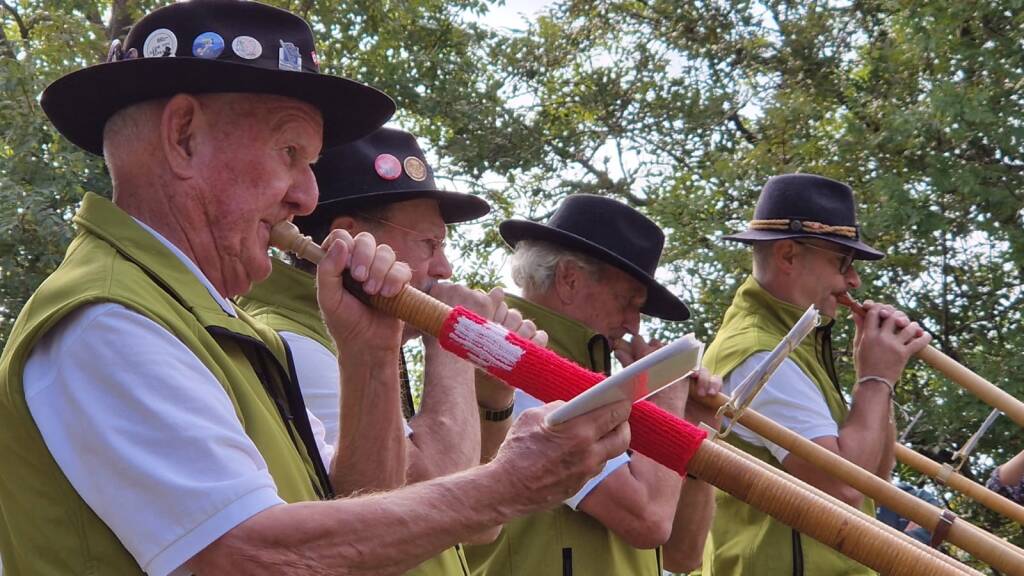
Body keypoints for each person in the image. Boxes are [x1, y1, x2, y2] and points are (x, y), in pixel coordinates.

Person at [0, 2, 631, 575]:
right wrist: (508, 485)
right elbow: (247, 556)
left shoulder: (207, 321)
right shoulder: (109, 319)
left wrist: (371, 354)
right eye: (290, 152)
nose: (306, 197)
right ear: (184, 136)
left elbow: (365, 529)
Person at [237, 126, 544, 574]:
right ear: (347, 240)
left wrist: (493, 398)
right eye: (429, 244)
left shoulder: (356, 337)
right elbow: (437, 489)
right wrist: (454, 334)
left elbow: (480, 525)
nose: (444, 268)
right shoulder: (292, 344)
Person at [464, 194, 721, 575]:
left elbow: (682, 556)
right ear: (569, 279)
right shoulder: (519, 364)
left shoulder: (599, 384)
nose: (634, 324)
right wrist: (667, 397)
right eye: (628, 301)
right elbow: (648, 519)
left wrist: (691, 429)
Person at [700, 173, 932, 575]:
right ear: (788, 256)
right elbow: (842, 487)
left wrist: (879, 379)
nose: (853, 281)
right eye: (842, 262)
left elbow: (875, 478)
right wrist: (875, 380)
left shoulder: (791, 340)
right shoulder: (759, 351)